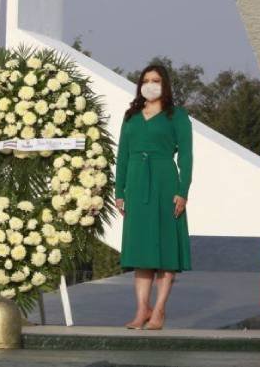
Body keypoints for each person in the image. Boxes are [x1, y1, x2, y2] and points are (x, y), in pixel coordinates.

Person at [114, 64, 193, 331]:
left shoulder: (177, 116)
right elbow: (122, 155)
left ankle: (159, 310)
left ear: (165, 84)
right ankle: (141, 310)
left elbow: (186, 157)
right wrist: (119, 191)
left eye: (156, 80)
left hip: (165, 182)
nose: (150, 84)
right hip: (136, 184)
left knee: (165, 248)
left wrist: (183, 191)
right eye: (146, 80)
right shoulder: (131, 116)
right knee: (141, 250)